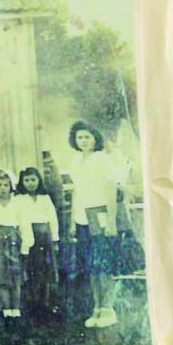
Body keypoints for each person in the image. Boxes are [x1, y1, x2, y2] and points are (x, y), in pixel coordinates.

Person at [68, 121, 121, 328]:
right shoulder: (75, 160)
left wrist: (111, 220)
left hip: (100, 213)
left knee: (103, 263)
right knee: (90, 265)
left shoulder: (103, 159)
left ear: (95, 139)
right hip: (82, 217)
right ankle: (97, 308)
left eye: (87, 137)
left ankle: (108, 308)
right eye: (80, 137)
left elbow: (110, 189)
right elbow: (76, 191)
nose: (83, 141)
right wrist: (73, 220)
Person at [0, 170, 33, 325]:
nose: (2, 188)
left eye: (6, 185)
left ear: (12, 186)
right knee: (1, 276)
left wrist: (26, 246)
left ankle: (16, 309)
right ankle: (6, 309)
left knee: (15, 276)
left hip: (14, 240)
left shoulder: (18, 203)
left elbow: (25, 225)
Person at [16, 167, 60, 313]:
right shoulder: (19, 199)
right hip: (28, 238)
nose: (30, 183)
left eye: (33, 180)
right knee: (31, 269)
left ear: (39, 180)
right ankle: (32, 302)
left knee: (45, 269)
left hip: (44, 237)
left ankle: (45, 301)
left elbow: (52, 219)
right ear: (22, 182)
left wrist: (55, 239)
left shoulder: (44, 198)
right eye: (27, 180)